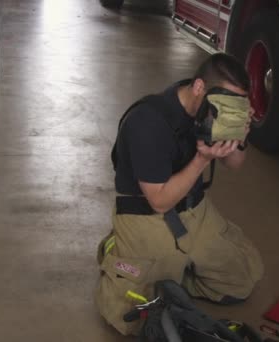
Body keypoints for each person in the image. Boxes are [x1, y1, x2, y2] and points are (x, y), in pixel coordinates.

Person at [94, 53, 264, 336]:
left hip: (195, 210)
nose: (229, 111)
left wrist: (239, 137)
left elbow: (234, 164)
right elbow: (160, 200)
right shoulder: (148, 122)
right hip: (147, 216)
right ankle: (115, 249)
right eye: (226, 103)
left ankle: (178, 269)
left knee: (241, 281)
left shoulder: (210, 109)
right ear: (199, 87)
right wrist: (202, 160)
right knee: (132, 318)